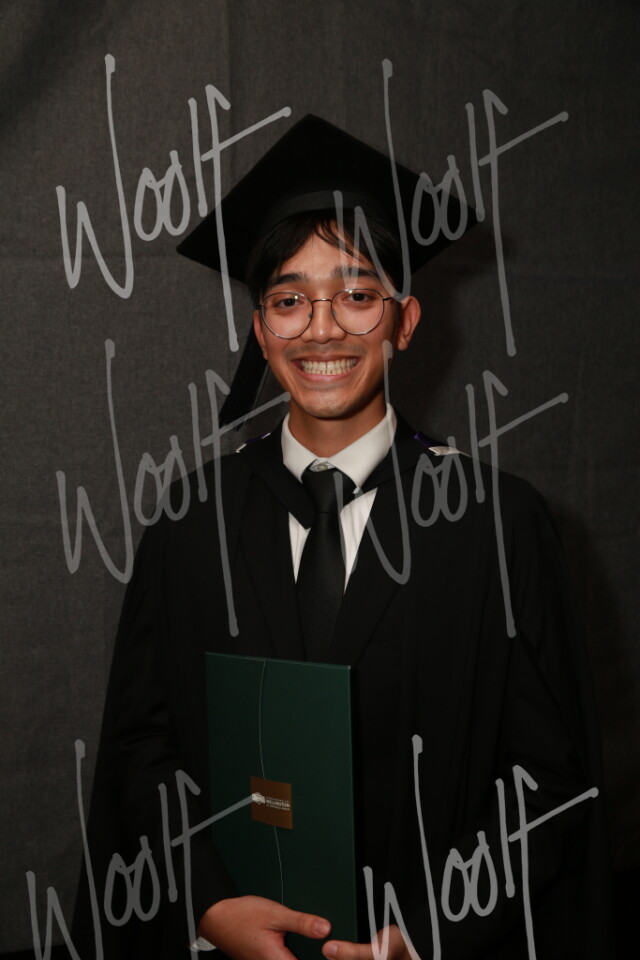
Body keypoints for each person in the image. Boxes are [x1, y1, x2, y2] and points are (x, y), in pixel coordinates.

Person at [75, 115, 612, 959]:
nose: (321, 329)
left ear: (405, 321)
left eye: (358, 295)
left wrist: (430, 936)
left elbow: (550, 784)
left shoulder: (495, 527)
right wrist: (207, 903)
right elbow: (142, 748)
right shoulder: (190, 522)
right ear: (261, 330)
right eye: (289, 300)